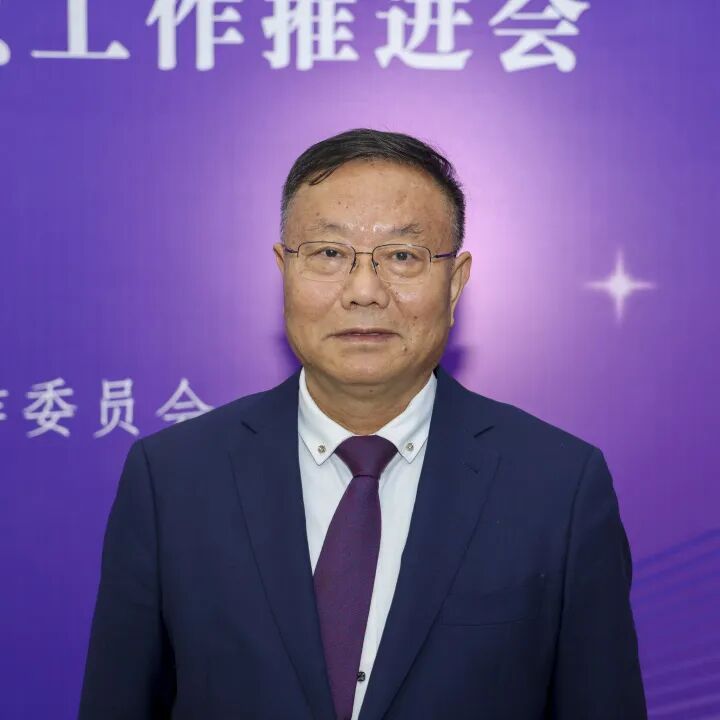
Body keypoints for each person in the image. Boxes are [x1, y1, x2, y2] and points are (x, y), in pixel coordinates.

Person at [78, 128, 647, 720]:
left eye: (403, 256)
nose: (365, 291)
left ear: (455, 282)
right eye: (329, 254)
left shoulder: (559, 486)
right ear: (284, 269)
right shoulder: (172, 479)